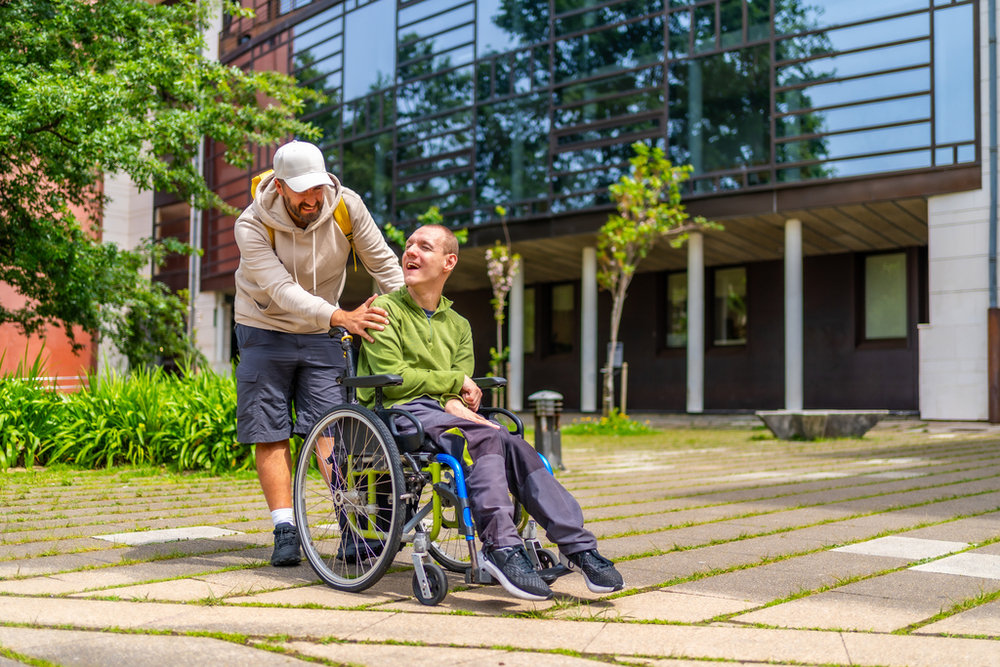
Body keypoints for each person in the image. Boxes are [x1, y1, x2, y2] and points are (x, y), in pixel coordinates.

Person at [357, 224, 624, 601]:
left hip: (441, 413)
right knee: (481, 435)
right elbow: (395, 379)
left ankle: (578, 546)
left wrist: (454, 399)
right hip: (401, 411)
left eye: (424, 247)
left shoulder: (459, 325)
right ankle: (500, 546)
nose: (411, 252)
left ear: (449, 262)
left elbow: (460, 389)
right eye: (409, 245)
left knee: (510, 440)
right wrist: (451, 389)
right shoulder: (384, 309)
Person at [233, 140, 404, 567]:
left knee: (333, 428)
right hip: (263, 326)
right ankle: (285, 528)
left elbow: (384, 266)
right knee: (269, 428)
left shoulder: (346, 206)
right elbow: (280, 290)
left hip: (323, 330)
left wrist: (416, 321)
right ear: (280, 185)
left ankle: (352, 522)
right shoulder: (252, 223)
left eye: (317, 189)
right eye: (301, 190)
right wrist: (341, 316)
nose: (311, 199)